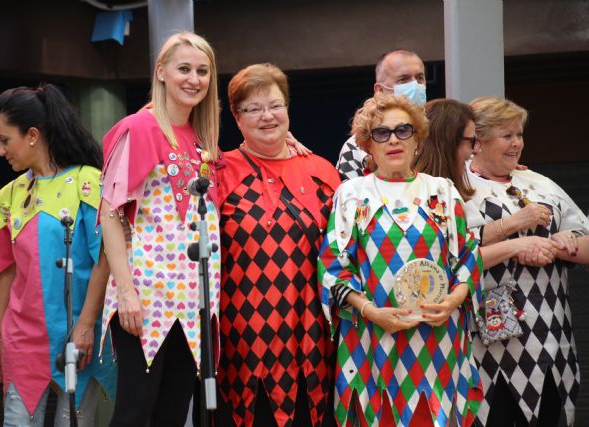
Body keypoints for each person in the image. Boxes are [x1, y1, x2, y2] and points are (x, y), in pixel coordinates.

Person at [319, 93, 483, 427]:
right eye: (381, 133)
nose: (393, 139)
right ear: (368, 145)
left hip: (439, 339)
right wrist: (370, 311)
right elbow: (334, 266)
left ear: (418, 139)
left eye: (403, 130)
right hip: (372, 338)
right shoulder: (351, 194)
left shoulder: (442, 190)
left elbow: (468, 254)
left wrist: (453, 300)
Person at [98, 32, 221, 426]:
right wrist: (127, 293)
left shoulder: (203, 138)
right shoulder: (139, 127)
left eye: (202, 71)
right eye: (184, 68)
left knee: (172, 413)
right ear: (161, 72)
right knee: (136, 412)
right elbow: (110, 214)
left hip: (192, 302)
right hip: (146, 298)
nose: (194, 79)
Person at [0, 84, 115, 426]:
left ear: (32, 135)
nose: (0, 151)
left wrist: (86, 326)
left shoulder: (89, 184)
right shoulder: (6, 197)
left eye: (4, 139)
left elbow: (105, 258)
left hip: (79, 337)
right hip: (23, 341)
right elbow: (5, 273)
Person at [216, 63, 341, 427]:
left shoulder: (322, 171)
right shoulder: (219, 171)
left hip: (317, 338)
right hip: (242, 338)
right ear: (237, 118)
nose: (266, 116)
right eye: (253, 109)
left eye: (275, 105)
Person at [464, 97, 589, 427]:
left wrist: (559, 246)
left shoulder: (539, 183)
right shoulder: (455, 188)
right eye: (507, 136)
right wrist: (516, 236)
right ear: (477, 141)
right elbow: (453, 254)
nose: (517, 143)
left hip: (549, 338)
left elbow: (584, 242)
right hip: (485, 343)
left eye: (519, 135)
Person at [416, 98, 560, 269]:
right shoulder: (418, 188)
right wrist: (518, 244)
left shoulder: (451, 187)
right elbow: (456, 261)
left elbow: (471, 242)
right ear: (449, 141)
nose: (476, 150)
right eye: (471, 141)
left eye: (519, 135)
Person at [336, 49, 426, 181]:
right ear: (380, 90)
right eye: (403, 79)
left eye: (419, 78)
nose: (415, 85)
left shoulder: (442, 131)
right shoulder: (355, 147)